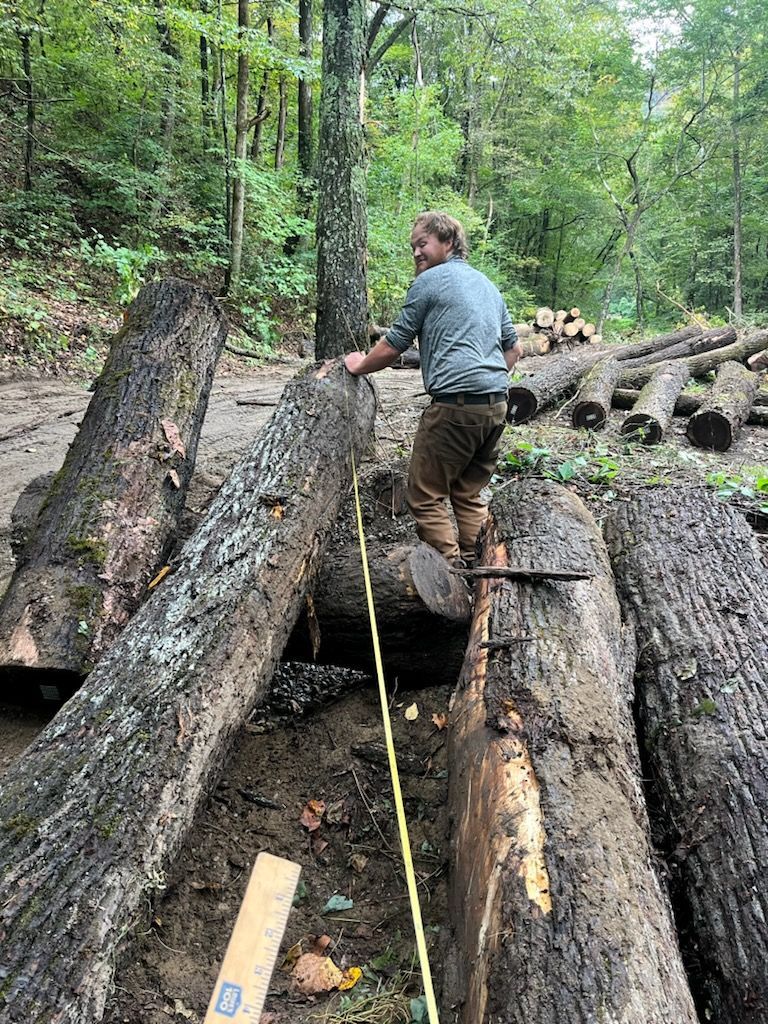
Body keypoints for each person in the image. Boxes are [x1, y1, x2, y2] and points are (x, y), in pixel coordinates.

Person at [345, 211, 522, 565]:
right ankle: (482, 571)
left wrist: (359, 365)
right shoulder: (487, 286)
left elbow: (394, 344)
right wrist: (484, 380)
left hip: (455, 407)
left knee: (425, 495)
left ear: (448, 242)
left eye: (422, 244)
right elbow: (513, 350)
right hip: (496, 406)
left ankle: (452, 574)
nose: (416, 253)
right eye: (413, 246)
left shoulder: (429, 283)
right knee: (468, 493)